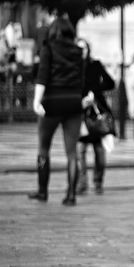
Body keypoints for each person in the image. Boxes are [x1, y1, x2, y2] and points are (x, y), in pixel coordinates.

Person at [28, 16, 84, 206]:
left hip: (51, 102)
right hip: (74, 103)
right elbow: (82, 79)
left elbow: (42, 75)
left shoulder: (48, 48)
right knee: (72, 153)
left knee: (44, 148)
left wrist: (36, 101)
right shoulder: (78, 51)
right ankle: (71, 195)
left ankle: (42, 191)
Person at [76, 38, 115, 195]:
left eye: (84, 48)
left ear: (88, 49)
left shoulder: (95, 64)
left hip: (96, 114)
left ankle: (98, 182)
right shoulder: (71, 68)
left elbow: (110, 83)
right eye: (78, 48)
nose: (82, 51)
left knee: (99, 151)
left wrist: (96, 91)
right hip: (79, 113)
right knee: (80, 150)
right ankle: (82, 183)